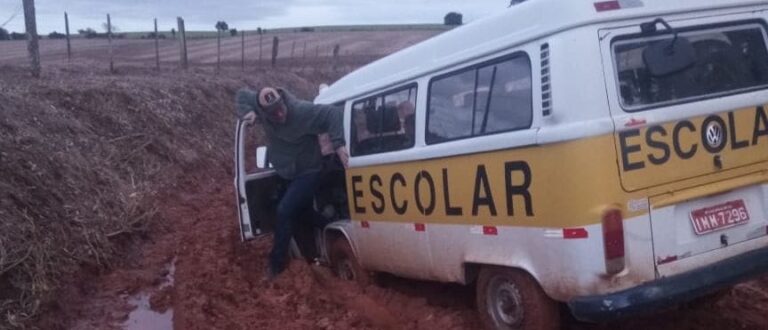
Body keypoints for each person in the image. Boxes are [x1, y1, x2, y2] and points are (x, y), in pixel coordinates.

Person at [236, 86, 348, 279]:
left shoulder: (301, 111)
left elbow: (333, 113)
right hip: (287, 172)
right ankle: (333, 226)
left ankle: (276, 265)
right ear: (264, 111)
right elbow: (240, 95)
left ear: (282, 99)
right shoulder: (259, 104)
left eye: (280, 107)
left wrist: (338, 144)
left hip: (309, 171)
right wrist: (249, 112)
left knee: (284, 210)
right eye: (273, 113)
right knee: (302, 212)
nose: (280, 113)